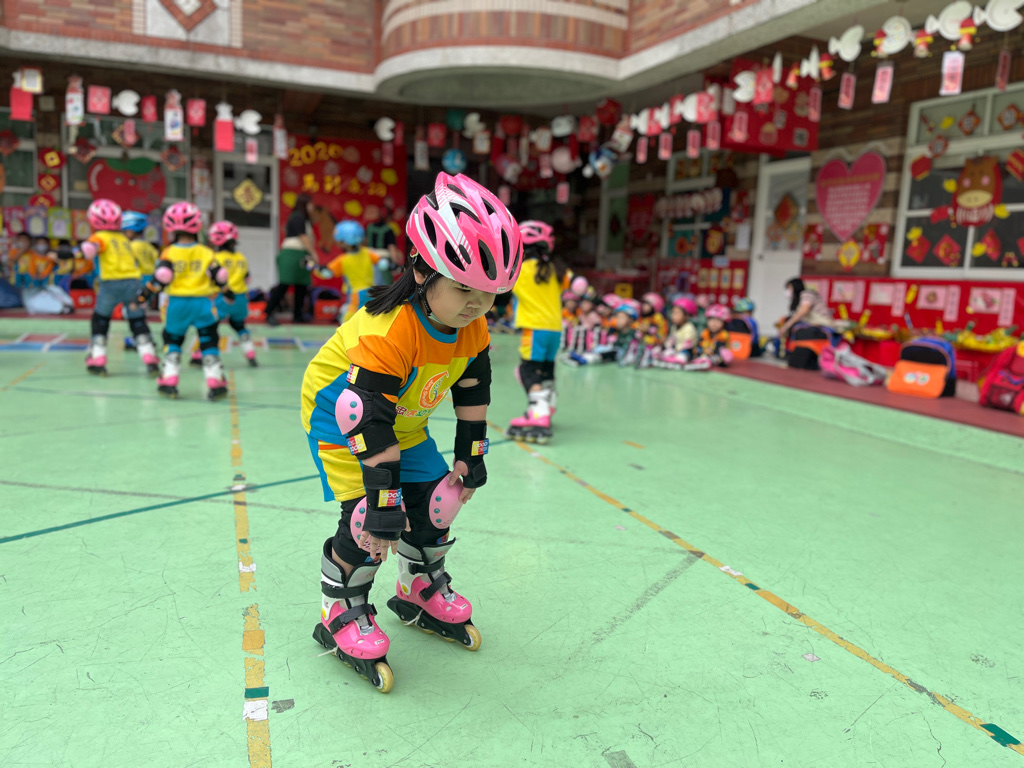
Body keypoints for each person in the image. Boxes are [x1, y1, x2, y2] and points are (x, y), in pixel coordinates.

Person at [301, 172, 522, 693]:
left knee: (439, 502)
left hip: (403, 420)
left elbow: (473, 383)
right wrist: (383, 500)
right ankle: (340, 606)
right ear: (422, 270)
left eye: (490, 293)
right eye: (464, 287)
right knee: (370, 517)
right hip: (342, 419)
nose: (476, 304)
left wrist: (471, 451)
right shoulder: (388, 331)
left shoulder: (471, 324)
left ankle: (417, 585)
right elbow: (364, 413)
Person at [137, 202, 231, 400]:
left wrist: (144, 295)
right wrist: (227, 293)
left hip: (176, 303)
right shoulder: (206, 252)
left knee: (173, 339)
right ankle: (214, 378)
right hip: (203, 303)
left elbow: (161, 277)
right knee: (208, 338)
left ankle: (169, 378)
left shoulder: (169, 252)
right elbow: (219, 276)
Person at [80, 200, 160, 376]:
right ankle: (149, 356)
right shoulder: (123, 238)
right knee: (137, 320)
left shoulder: (99, 237)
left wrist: (75, 252)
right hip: (133, 282)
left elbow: (89, 250)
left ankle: (98, 357)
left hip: (111, 284)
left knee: (100, 319)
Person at [507, 220, 565, 444]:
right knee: (546, 369)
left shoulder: (520, 271)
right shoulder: (556, 269)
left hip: (534, 329)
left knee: (527, 370)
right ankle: (547, 406)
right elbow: (579, 286)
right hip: (555, 330)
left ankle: (539, 413)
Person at [316, 220, 389, 323]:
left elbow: (326, 273)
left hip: (356, 295)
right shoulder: (367, 253)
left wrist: (313, 267)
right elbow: (383, 264)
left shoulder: (343, 259)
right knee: (370, 319)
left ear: (344, 242)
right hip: (372, 292)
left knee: (347, 321)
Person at [208, 220, 258, 367]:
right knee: (239, 326)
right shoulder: (241, 257)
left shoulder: (216, 257)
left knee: (210, 327)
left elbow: (213, 277)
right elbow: (247, 278)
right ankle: (250, 352)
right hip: (240, 298)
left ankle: (205, 355)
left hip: (222, 297)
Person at [265, 194, 319, 326]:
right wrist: (314, 253)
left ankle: (298, 315)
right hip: (291, 255)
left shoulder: (304, 219)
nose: (312, 207)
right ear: (304, 204)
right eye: (310, 204)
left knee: (302, 285)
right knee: (284, 284)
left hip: (303, 256)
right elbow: (303, 237)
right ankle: (269, 312)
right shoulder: (297, 217)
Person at [16, 237, 75, 315]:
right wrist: (35, 275)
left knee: (55, 291)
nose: (42, 245)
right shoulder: (32, 256)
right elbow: (31, 270)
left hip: (48, 285)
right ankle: (62, 307)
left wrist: (55, 259)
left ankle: (65, 306)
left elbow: (54, 266)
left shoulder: (51, 257)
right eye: (40, 243)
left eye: (44, 243)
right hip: (35, 287)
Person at [655, 297, 699, 369]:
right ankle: (670, 359)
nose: (673, 316)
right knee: (660, 351)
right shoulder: (674, 327)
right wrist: (666, 347)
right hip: (675, 351)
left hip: (686, 351)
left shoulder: (689, 327)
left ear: (686, 316)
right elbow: (671, 340)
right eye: (673, 312)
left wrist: (674, 351)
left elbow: (687, 345)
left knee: (682, 356)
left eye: (677, 313)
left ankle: (676, 360)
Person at [688, 303, 734, 370]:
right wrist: (700, 350)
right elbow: (699, 345)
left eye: (718, 321)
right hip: (705, 353)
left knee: (723, 355)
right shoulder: (705, 332)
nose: (714, 323)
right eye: (711, 320)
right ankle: (701, 360)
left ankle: (704, 361)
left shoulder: (723, 335)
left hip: (716, 356)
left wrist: (710, 352)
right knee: (693, 350)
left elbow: (719, 349)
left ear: (723, 323)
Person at [365, 207, 403, 286]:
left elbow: (364, 242)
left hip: (368, 258)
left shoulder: (369, 227)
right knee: (384, 285)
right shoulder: (388, 229)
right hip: (383, 260)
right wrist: (396, 263)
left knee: (370, 284)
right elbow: (392, 248)